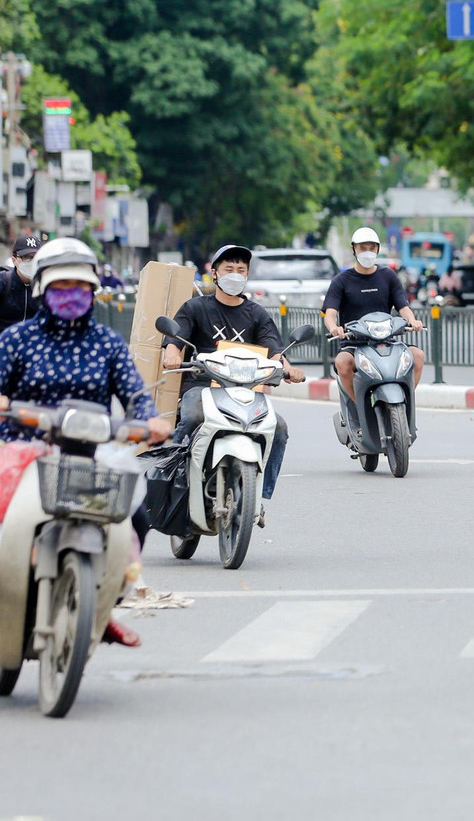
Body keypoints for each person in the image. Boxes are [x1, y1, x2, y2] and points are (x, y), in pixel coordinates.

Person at [0, 238, 172, 647]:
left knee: (135, 520)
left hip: (90, 454)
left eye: (80, 287)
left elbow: (133, 394)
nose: (70, 295)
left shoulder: (107, 343)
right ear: (42, 288)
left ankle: (102, 608)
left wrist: (151, 420)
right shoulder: (15, 340)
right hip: (19, 453)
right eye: (61, 287)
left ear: (93, 291)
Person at [163, 244, 306, 521]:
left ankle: (258, 497)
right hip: (201, 387)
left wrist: (288, 368)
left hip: (245, 390)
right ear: (214, 274)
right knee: (192, 416)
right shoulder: (195, 307)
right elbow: (174, 340)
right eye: (229, 269)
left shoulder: (257, 313)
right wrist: (171, 354)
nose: (235, 274)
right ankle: (173, 476)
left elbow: (275, 350)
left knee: (279, 428)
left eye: (241, 270)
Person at [324, 227, 425, 405]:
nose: (367, 252)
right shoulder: (341, 281)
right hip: (354, 344)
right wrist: (334, 328)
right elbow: (330, 314)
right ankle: (359, 408)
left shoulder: (388, 276)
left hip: (386, 342)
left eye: (371, 247)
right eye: (363, 248)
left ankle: (405, 401)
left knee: (417, 355)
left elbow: (403, 307)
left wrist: (413, 320)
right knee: (342, 363)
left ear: (378, 249)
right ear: (353, 248)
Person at [0, 235, 43, 334]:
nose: (31, 262)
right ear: (14, 260)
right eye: (26, 257)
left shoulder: (44, 287)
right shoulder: (3, 283)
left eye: (36, 258)